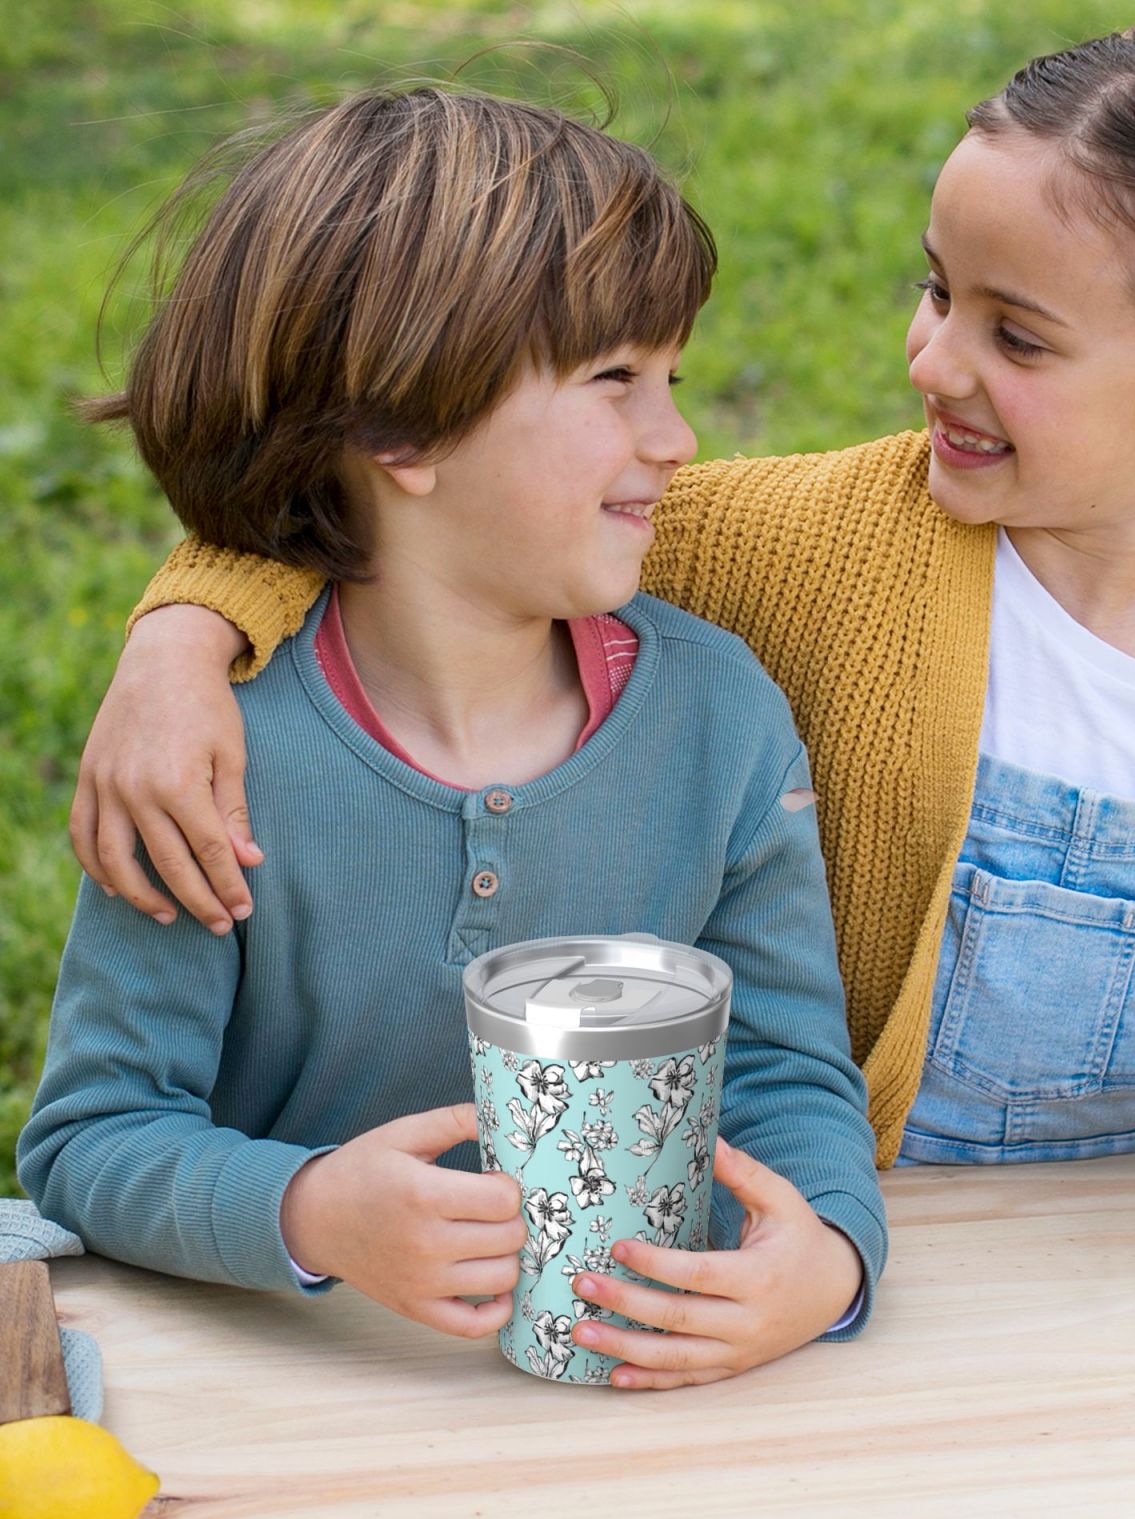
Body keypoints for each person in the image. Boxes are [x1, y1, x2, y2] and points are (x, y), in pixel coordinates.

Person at [68, 25, 1135, 1188]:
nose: (934, 358)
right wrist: (185, 635)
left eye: (1018, 335)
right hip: (850, 1251)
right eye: (937, 291)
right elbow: (422, 505)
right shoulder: (808, 546)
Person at [20, 86, 887, 1390]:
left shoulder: (723, 720)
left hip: (640, 1402)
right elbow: (93, 1139)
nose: (677, 438)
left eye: (673, 379)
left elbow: (780, 1070)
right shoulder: (208, 758)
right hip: (303, 1401)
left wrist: (826, 1256)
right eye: (614, 383)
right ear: (398, 430)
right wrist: (312, 1211)